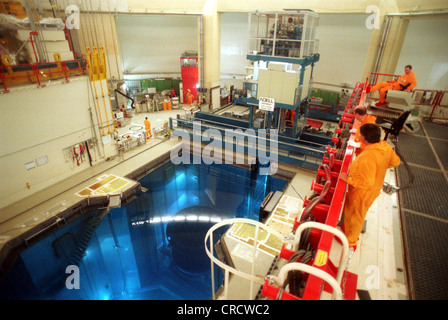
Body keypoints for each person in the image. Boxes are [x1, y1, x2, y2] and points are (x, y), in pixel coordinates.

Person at [339, 123, 400, 250]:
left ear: (365, 139)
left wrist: (348, 179)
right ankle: (349, 229)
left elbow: (366, 182)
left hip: (362, 192)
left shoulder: (367, 157)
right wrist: (380, 168)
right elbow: (395, 162)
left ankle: (351, 242)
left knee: (356, 215)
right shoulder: (385, 147)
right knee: (353, 212)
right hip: (374, 189)